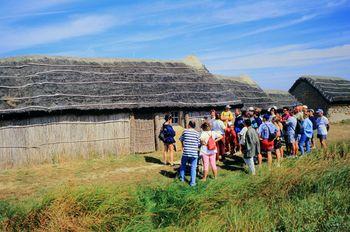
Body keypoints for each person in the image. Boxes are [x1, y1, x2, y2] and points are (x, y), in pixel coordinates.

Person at [179, 120, 200, 186]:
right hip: (194, 153)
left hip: (186, 152)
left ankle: (182, 179)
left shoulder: (185, 131)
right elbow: (199, 143)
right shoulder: (197, 133)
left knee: (183, 165)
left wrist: (183, 145)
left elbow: (181, 139)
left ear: (189, 125)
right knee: (193, 167)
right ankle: (192, 183)